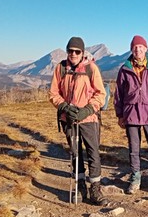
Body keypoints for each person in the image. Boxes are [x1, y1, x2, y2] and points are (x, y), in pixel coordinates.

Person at [49, 36, 109, 205]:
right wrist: (64, 106)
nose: (73, 54)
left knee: (93, 153)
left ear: (82, 53)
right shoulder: (60, 68)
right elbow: (53, 93)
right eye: (70, 51)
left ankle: (95, 189)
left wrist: (87, 110)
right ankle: (80, 186)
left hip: (89, 118)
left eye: (77, 51)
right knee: (75, 154)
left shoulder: (91, 68)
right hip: (68, 119)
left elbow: (100, 94)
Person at [114, 35, 148, 195]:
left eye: (141, 47)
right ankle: (135, 178)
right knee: (134, 149)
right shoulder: (124, 69)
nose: (138, 50)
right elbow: (119, 94)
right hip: (131, 113)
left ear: (146, 49)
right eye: (135, 47)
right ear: (131, 49)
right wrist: (120, 115)